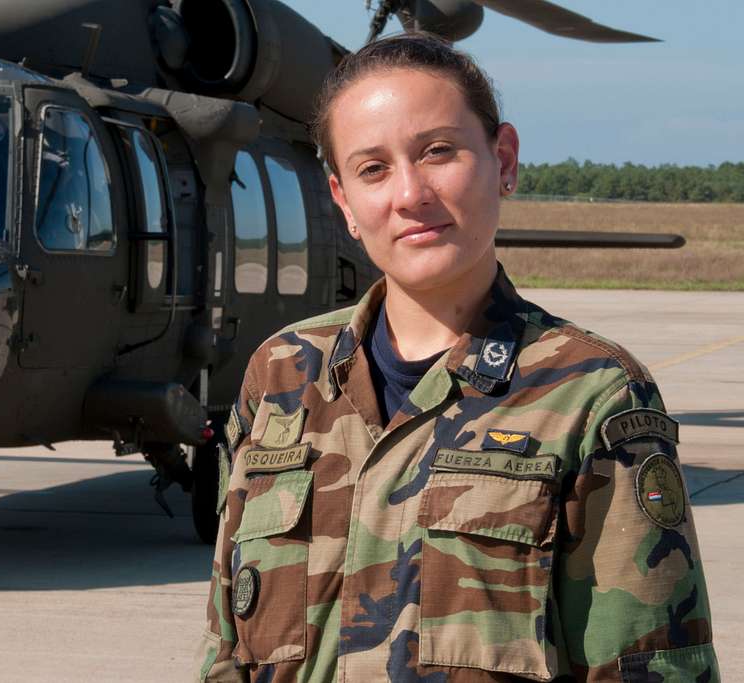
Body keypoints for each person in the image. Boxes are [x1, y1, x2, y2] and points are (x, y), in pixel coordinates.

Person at [196, 34, 719, 682]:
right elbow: (225, 649)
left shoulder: (591, 396)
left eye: (437, 151)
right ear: (344, 202)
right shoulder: (283, 374)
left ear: (503, 159)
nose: (410, 192)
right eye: (373, 168)